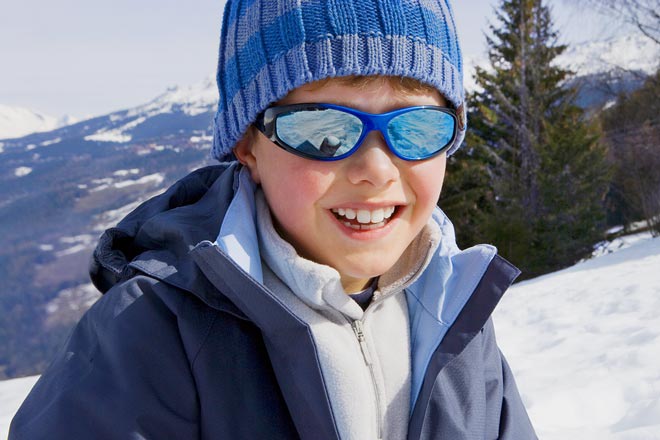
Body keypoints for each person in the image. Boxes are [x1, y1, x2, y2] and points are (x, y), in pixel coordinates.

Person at [10, 0, 537, 438]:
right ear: (248, 145)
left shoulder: (455, 313)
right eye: (322, 129)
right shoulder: (149, 336)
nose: (377, 170)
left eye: (418, 127)